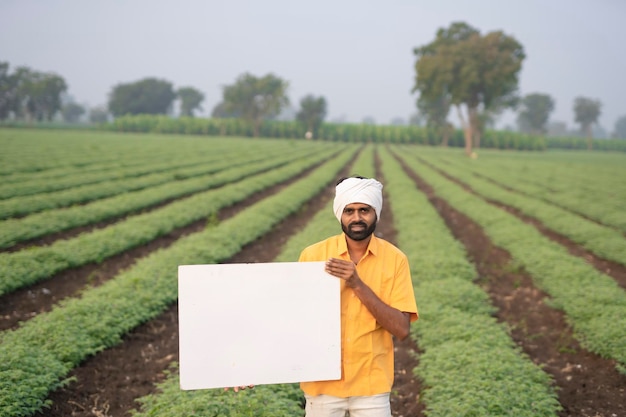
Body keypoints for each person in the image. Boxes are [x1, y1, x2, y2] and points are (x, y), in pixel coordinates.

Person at [298, 176, 419, 417]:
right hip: (322, 386)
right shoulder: (313, 256)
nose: (356, 218)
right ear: (340, 214)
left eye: (364, 210)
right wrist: (253, 366)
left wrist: (357, 284)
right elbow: (290, 319)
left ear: (376, 212)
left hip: (371, 388)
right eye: (349, 211)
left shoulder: (395, 260)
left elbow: (402, 329)